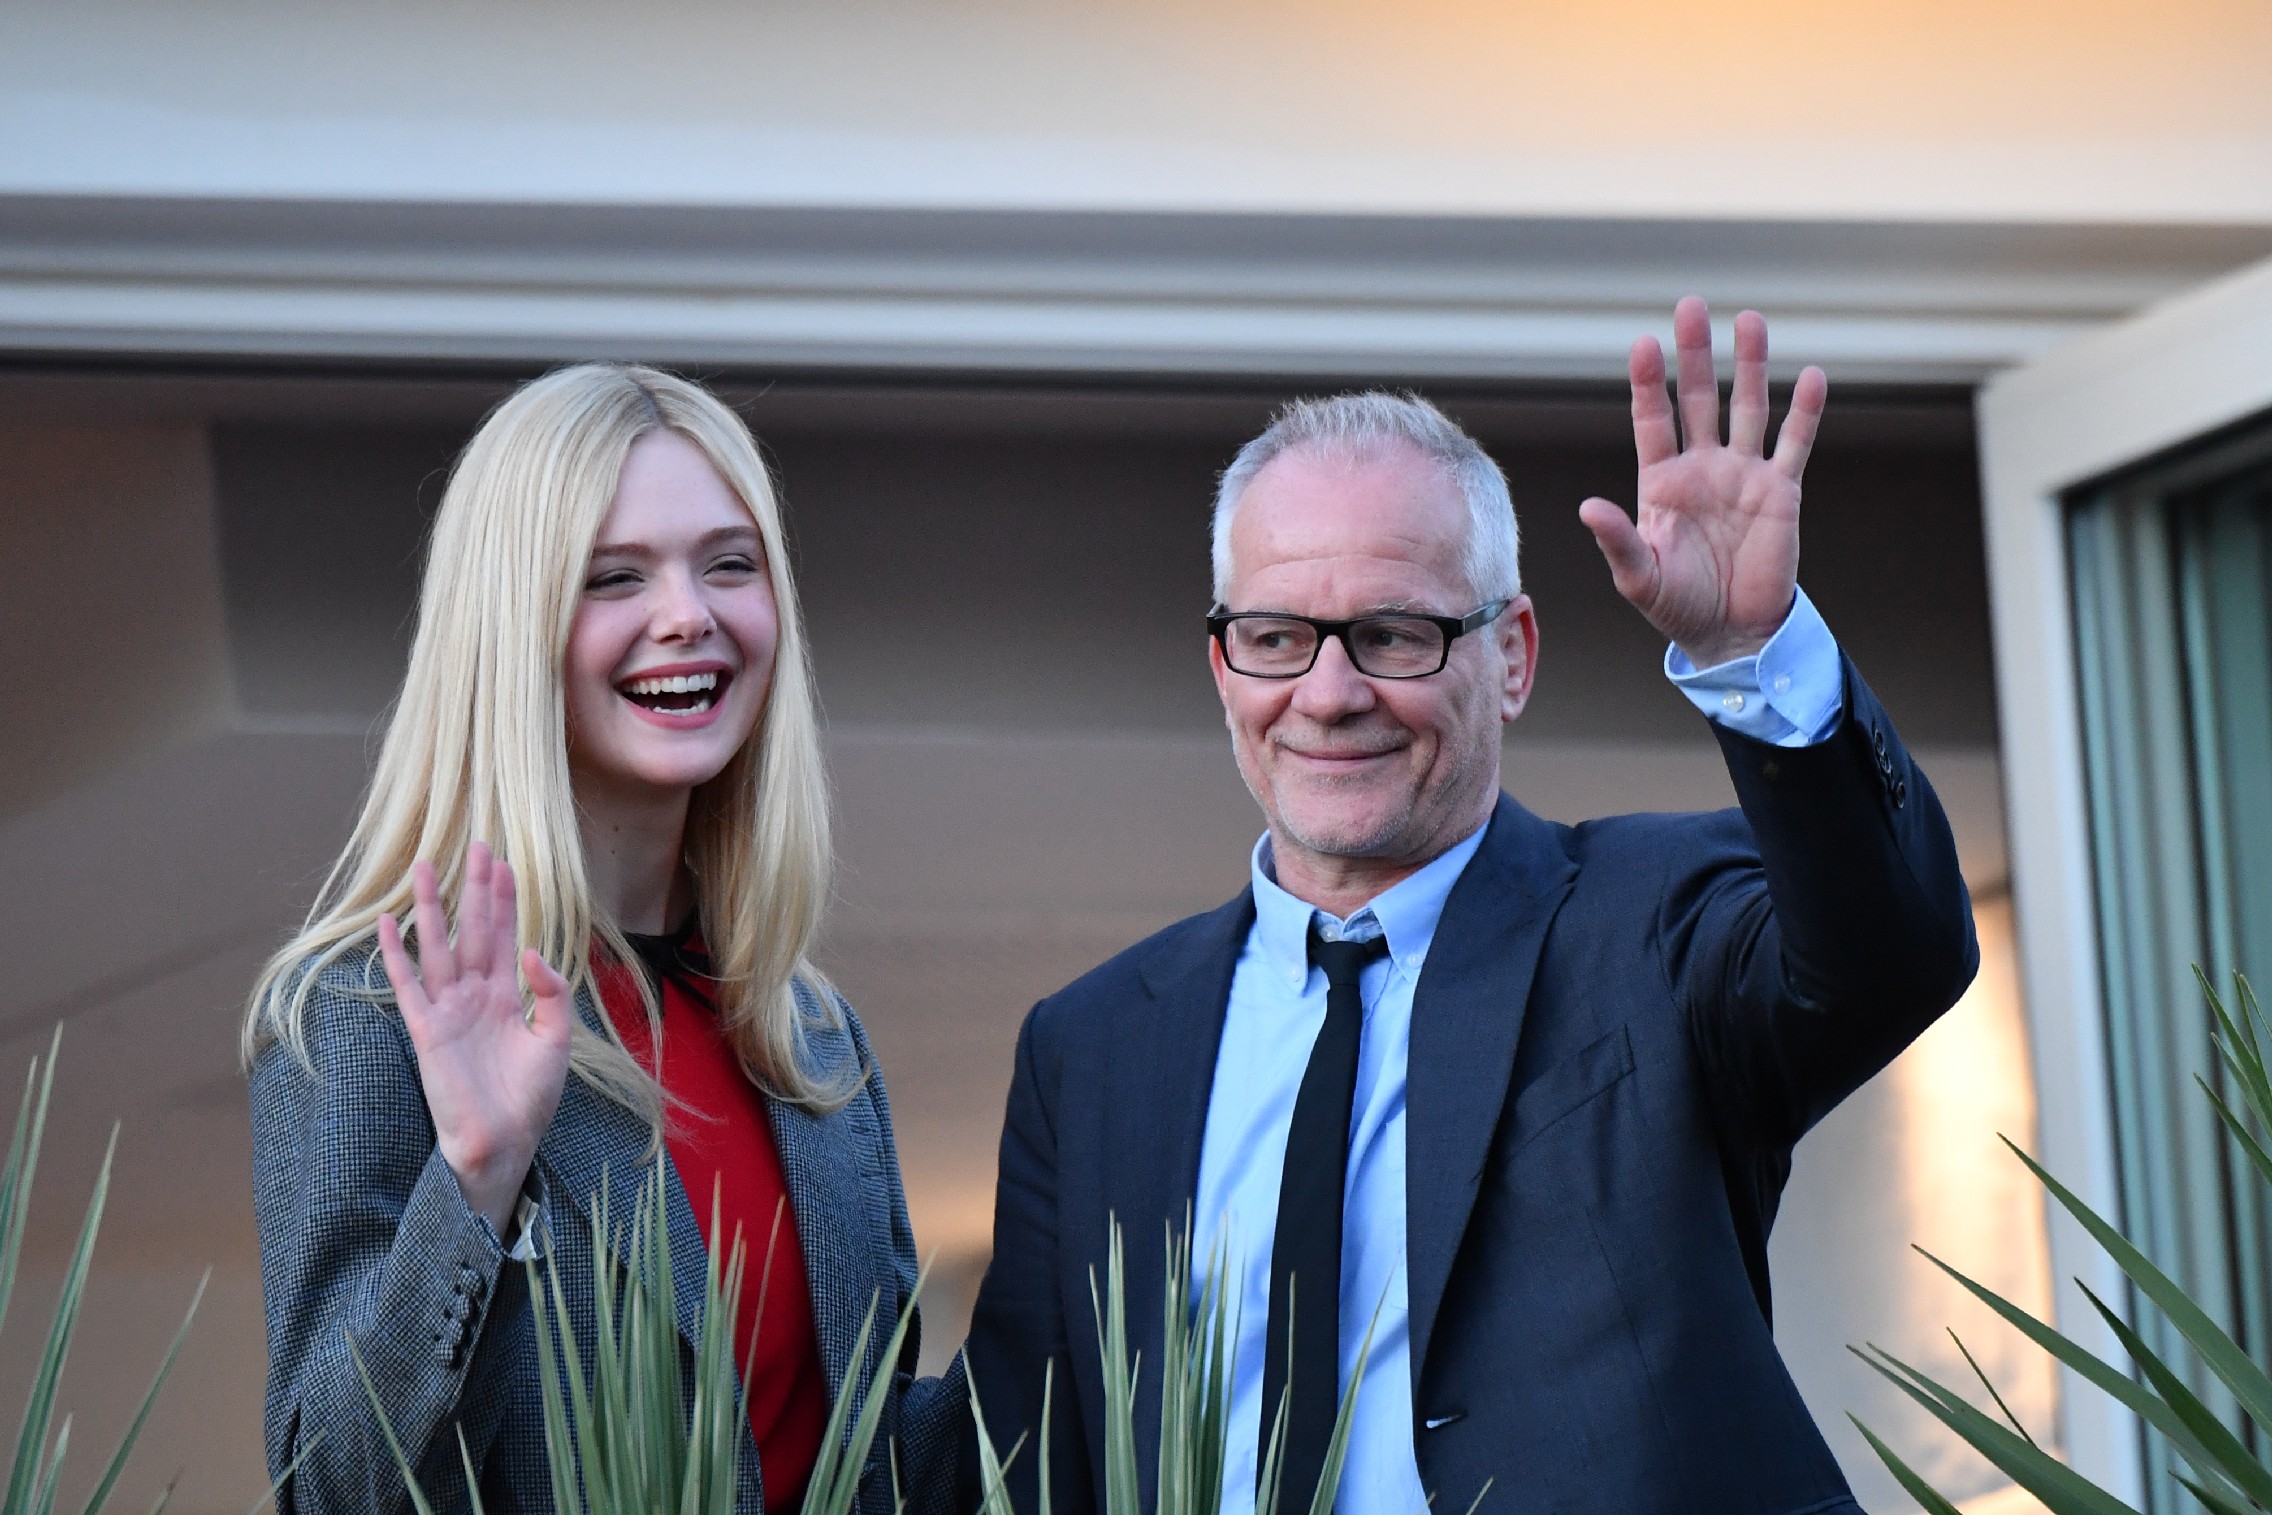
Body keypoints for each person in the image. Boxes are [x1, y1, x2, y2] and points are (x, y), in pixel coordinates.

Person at [962, 299, 1978, 1515]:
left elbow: (1890, 955)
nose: (1329, 694)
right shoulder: (1091, 1048)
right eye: (1277, 636)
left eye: (1391, 635)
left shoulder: (1651, 928)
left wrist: (1756, 651)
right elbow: (1019, 1457)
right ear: (1224, 665)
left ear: (1512, 655)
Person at [244, 365, 961, 1515]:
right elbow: (331, 1484)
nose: (689, 614)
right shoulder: (374, 1009)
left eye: (730, 563)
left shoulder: (811, 1035)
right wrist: (474, 1178)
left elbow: (872, 1464)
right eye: (611, 578)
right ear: (511, 629)